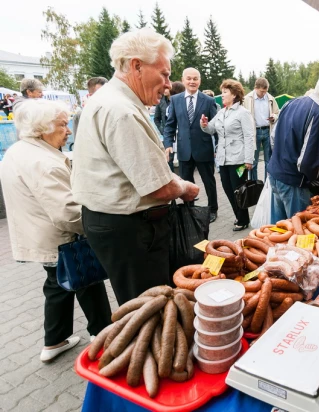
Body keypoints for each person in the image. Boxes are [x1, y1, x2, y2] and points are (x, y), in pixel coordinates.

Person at [71, 29, 199, 305]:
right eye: (164, 74)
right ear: (136, 65)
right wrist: (186, 187)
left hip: (119, 225)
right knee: (149, 309)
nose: (168, 84)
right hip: (131, 230)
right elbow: (160, 186)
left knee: (143, 304)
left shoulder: (115, 101)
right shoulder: (120, 111)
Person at [1, 99, 112, 362]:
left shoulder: (19, 151)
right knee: (87, 278)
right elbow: (68, 213)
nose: (69, 130)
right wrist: (99, 227)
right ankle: (104, 333)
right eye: (63, 124)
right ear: (42, 128)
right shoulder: (44, 162)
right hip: (61, 238)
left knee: (59, 284)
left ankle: (55, 341)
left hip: (40, 235)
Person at [268, 73, 319, 221]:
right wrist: (315, 181)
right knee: (299, 233)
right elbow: (308, 161)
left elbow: (273, 138)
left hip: (275, 175)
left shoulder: (292, 102)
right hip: (294, 183)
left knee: (278, 230)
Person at [164, 67, 218, 223]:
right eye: (189, 78)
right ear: (183, 80)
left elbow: (216, 127)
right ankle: (190, 210)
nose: (192, 82)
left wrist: (218, 148)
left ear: (199, 80)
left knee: (209, 182)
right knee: (186, 183)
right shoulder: (175, 100)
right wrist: (168, 143)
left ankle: (213, 209)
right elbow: (170, 125)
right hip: (184, 150)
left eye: (195, 78)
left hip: (204, 149)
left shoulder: (208, 101)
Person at [200, 79, 255, 231]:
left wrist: (249, 159)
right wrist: (204, 124)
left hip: (239, 160)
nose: (221, 95)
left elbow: (250, 137)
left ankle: (243, 219)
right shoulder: (221, 112)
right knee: (228, 189)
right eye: (222, 91)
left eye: (225, 92)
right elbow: (211, 129)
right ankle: (239, 215)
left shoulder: (243, 113)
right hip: (223, 159)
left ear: (235, 94)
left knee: (239, 191)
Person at [242, 77, 280, 181]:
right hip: (254, 132)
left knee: (269, 161)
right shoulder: (246, 99)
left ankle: (267, 186)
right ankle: (254, 184)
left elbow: (277, 112)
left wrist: (274, 117)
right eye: (262, 91)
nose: (264, 93)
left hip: (268, 130)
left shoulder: (271, 98)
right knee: (253, 161)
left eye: (265, 91)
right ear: (256, 88)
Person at [155, 81, 185, 172]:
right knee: (169, 158)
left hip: (180, 133)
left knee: (183, 158)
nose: (164, 89)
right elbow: (157, 119)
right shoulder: (160, 102)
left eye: (167, 88)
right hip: (168, 134)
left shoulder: (181, 100)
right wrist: (163, 131)